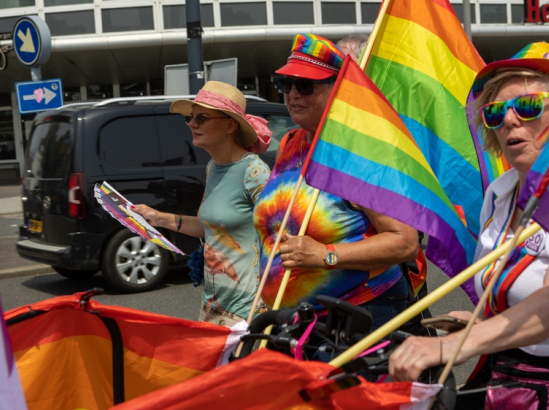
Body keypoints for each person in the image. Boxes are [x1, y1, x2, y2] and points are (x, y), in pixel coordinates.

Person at [389, 43, 549, 408]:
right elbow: (520, 286)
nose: (509, 120)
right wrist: (480, 326)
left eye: (527, 106)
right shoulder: (500, 191)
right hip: (515, 377)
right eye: (494, 113)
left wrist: (453, 345)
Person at [253, 34, 419, 334]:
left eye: (304, 85)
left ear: (339, 90)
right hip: (293, 319)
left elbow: (405, 241)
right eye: (285, 84)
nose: (292, 94)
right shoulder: (290, 143)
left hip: (356, 314)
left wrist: (325, 255)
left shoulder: (361, 151)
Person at [133, 81, 272, 326]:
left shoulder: (254, 171)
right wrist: (157, 217)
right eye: (190, 118)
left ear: (230, 125)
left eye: (202, 117)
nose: (192, 124)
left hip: (247, 310)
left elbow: (278, 238)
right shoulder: (213, 167)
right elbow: (203, 227)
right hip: (212, 304)